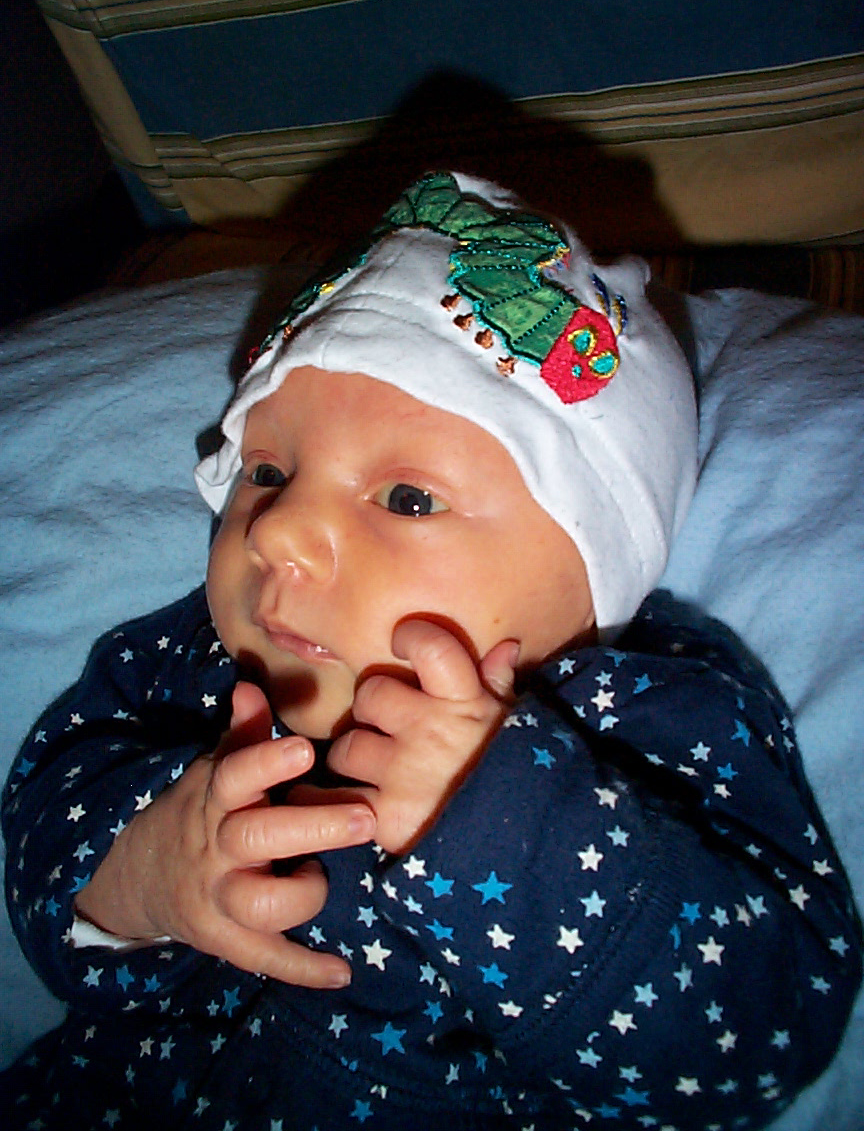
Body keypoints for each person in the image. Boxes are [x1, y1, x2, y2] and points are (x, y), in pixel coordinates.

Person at [2, 172, 860, 1131]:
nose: (275, 532)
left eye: (408, 499)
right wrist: (137, 874)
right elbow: (44, 827)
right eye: (267, 470)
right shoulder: (185, 666)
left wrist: (512, 817)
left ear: (595, 572)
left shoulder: (653, 714)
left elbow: (756, 1037)